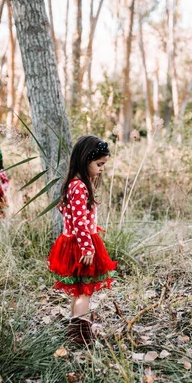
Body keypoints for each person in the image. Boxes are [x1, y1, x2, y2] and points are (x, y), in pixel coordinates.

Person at [47, 135, 117, 345]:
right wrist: (88, 248)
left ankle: (76, 327)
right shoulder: (79, 187)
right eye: (99, 164)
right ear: (86, 159)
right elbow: (79, 221)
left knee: (79, 290)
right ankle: (79, 334)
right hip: (80, 245)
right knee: (84, 292)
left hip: (75, 242)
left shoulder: (75, 184)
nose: (102, 169)